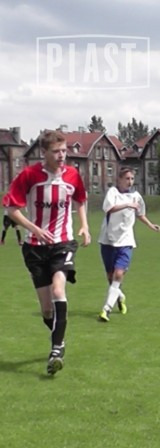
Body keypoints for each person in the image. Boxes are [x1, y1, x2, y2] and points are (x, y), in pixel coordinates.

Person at [1, 129, 90, 376]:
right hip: (34, 247)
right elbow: (11, 209)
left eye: (64, 151)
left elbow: (80, 199)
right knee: (46, 309)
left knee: (59, 290)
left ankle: (56, 350)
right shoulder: (29, 175)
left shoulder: (72, 175)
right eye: (56, 151)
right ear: (44, 152)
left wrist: (84, 225)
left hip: (63, 243)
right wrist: (35, 229)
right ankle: (58, 337)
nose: (62, 156)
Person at [96, 167, 160, 322]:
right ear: (119, 179)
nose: (130, 182)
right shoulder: (112, 193)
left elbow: (140, 214)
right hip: (108, 240)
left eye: (132, 179)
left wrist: (150, 224)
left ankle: (106, 309)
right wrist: (126, 205)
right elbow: (108, 208)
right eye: (127, 178)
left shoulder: (136, 196)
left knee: (118, 274)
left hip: (126, 240)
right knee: (111, 278)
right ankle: (120, 297)